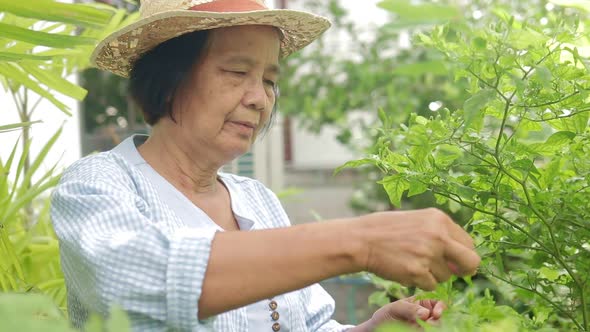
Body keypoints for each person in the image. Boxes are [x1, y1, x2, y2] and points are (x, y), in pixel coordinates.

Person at [50, 0, 480, 331]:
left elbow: (305, 325)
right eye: (237, 72)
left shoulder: (257, 200)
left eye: (270, 80)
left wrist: (371, 327)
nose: (259, 98)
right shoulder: (99, 184)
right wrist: (360, 241)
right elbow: (138, 282)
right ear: (168, 78)